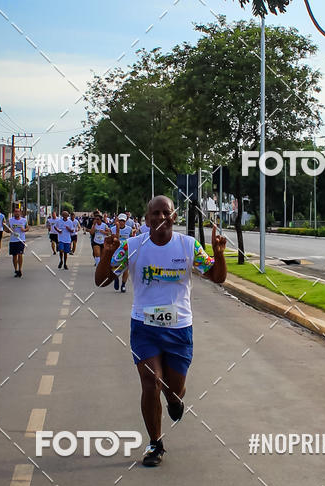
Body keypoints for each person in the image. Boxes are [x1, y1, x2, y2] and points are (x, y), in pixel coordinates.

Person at [96, 195, 227, 467]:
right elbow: (102, 281)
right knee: (150, 381)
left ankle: (174, 399)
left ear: (173, 217)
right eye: (154, 213)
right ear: (146, 219)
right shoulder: (132, 246)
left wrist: (220, 254)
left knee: (173, 389)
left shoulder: (188, 245)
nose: (159, 218)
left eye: (165, 212)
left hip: (179, 329)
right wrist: (108, 254)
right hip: (144, 327)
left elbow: (217, 277)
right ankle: (155, 443)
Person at [109, 212, 136, 292]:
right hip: (115, 252)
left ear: (125, 221)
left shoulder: (129, 229)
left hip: (126, 252)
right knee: (114, 268)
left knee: (125, 269)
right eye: (120, 220)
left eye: (123, 221)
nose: (121, 222)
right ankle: (116, 278)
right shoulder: (113, 229)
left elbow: (132, 239)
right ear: (118, 220)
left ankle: (123, 285)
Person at [5, 207, 28, 277]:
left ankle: (20, 269)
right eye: (15, 211)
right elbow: (6, 229)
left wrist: (24, 230)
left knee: (20, 254)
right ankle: (16, 269)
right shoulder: (10, 220)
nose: (17, 213)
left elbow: (27, 228)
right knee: (14, 256)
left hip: (21, 240)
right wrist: (9, 230)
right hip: (13, 240)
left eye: (18, 212)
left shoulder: (24, 220)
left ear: (20, 213)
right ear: (13, 213)